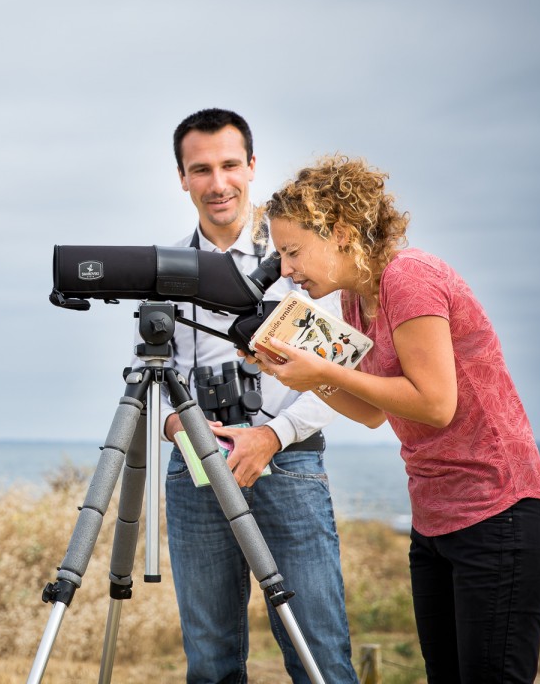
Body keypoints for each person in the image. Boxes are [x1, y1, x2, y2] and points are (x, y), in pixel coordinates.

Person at [255, 154, 540, 683]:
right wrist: (300, 376)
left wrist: (325, 370)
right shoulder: (354, 300)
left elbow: (434, 402)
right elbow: (374, 412)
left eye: (292, 251)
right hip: (436, 519)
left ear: (343, 233)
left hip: (500, 510)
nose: (285, 268)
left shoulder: (409, 277)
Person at [140, 108, 359, 684]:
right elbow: (157, 378)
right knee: (210, 661)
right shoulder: (166, 272)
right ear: (182, 177)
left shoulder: (300, 257)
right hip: (197, 466)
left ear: (253, 166)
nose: (218, 183)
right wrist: (178, 427)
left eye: (230, 165)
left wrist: (271, 434)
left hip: (289, 458)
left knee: (320, 654)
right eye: (202, 169)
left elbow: (338, 370)